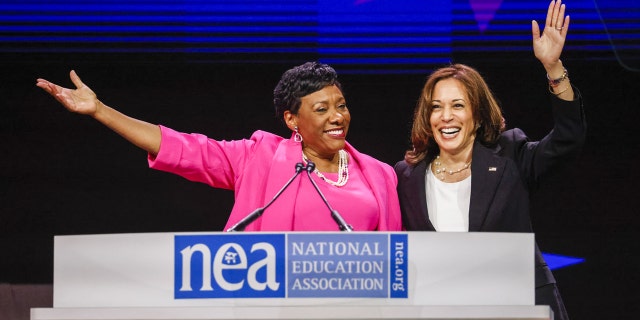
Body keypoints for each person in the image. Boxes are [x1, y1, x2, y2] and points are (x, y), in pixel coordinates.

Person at [36, 61, 402, 232]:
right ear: (293, 120)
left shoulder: (379, 175)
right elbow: (183, 149)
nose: (337, 116)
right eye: (321, 109)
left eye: (341, 106)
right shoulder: (259, 156)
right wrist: (100, 111)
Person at [394, 1, 584, 319]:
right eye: (436, 107)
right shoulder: (408, 175)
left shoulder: (510, 154)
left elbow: (568, 139)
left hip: (519, 305)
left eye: (457, 105)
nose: (446, 116)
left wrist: (554, 69)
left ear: (478, 116)